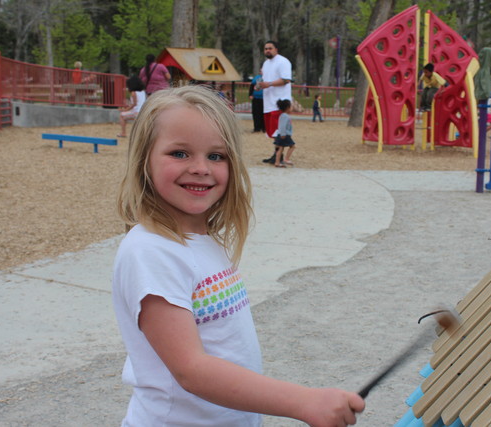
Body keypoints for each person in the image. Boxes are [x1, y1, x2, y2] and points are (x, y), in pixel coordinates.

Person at [113, 85, 364, 426]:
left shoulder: (204, 240)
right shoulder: (150, 251)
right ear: (144, 160)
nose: (201, 168)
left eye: (216, 156)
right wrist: (303, 401)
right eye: (180, 153)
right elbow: (192, 370)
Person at [259, 40, 292, 164]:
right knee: (272, 132)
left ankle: (279, 156)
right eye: (266, 48)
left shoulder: (283, 61)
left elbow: (286, 79)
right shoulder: (266, 63)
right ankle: (276, 154)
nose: (267, 50)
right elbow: (266, 79)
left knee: (279, 131)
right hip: (268, 102)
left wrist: (269, 84)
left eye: (270, 48)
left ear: (276, 49)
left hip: (279, 102)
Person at [274, 99, 296, 167]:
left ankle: (277, 162)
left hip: (281, 134)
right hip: (284, 135)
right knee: (292, 146)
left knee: (280, 148)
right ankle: (286, 159)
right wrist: (283, 134)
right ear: (287, 108)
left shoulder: (283, 115)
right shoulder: (285, 116)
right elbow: (282, 126)